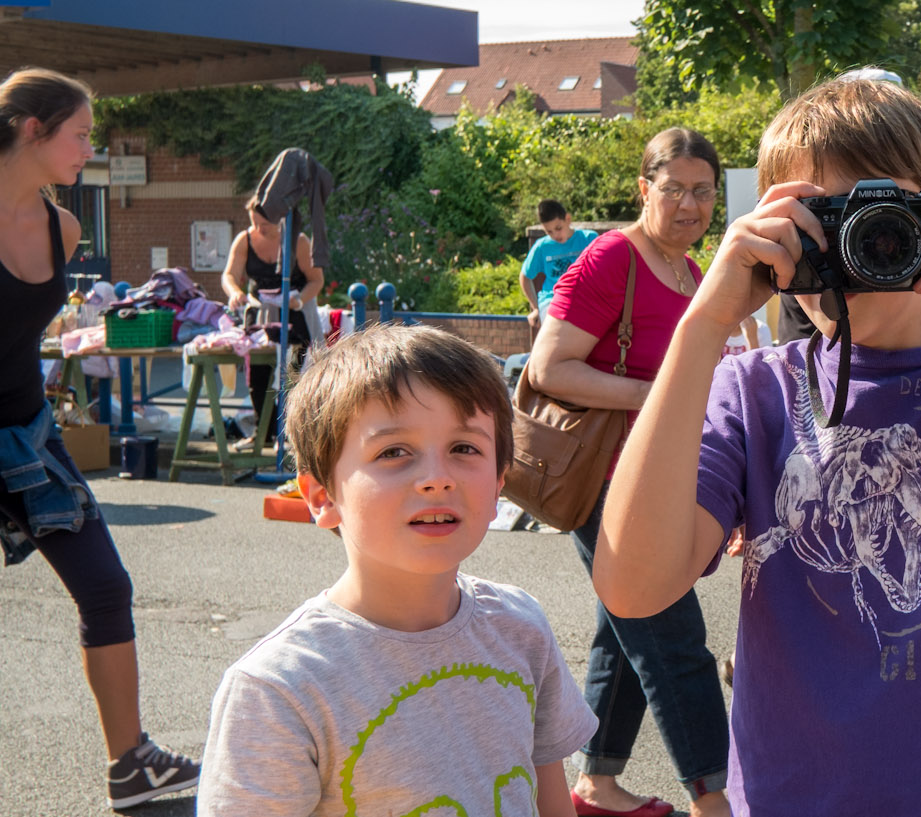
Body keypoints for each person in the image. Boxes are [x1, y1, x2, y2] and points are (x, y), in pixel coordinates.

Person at [592, 77, 921, 813]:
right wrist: (704, 322)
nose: (851, 249)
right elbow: (633, 585)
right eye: (815, 222)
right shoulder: (753, 392)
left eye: (877, 220)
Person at [196, 323, 598, 815]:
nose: (436, 478)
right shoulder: (278, 689)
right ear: (322, 496)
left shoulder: (521, 627)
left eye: (464, 448)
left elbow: (549, 799)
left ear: (498, 487)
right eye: (393, 452)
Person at [0, 66, 199, 809]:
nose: (91, 147)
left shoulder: (64, 225)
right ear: (32, 129)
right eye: (80, 134)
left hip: (26, 434)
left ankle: (131, 763)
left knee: (106, 586)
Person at [523, 127, 729, 817]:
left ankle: (596, 785)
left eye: (703, 191)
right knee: (674, 639)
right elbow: (548, 368)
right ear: (644, 189)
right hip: (607, 477)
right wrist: (659, 395)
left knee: (627, 623)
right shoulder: (613, 256)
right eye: (674, 189)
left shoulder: (692, 272)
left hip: (661, 476)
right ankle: (715, 796)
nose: (690, 205)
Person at [220, 192, 326, 447]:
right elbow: (230, 275)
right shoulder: (244, 240)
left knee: (292, 372)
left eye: (264, 225)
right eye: (254, 223)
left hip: (295, 312)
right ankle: (263, 431)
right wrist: (234, 292)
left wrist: (299, 300)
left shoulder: (298, 242)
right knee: (258, 372)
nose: (258, 229)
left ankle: (290, 433)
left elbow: (316, 280)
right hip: (262, 311)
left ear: (280, 220)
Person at [521, 198, 598, 330]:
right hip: (553, 300)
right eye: (549, 232)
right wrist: (535, 308)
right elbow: (525, 276)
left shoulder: (588, 239)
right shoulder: (542, 246)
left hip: (583, 298)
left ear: (567, 219)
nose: (555, 235)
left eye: (558, 228)